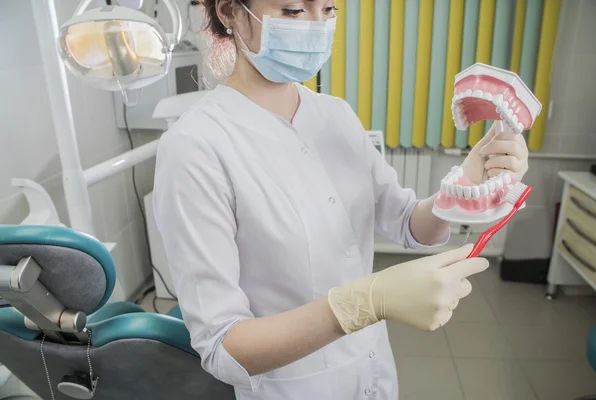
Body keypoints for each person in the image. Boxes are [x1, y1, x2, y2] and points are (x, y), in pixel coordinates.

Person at [152, 1, 530, 398]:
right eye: (295, 10)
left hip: (373, 374)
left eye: (328, 8)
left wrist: (468, 179)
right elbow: (223, 346)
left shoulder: (336, 114)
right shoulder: (195, 148)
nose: (316, 25)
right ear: (230, 12)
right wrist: (361, 303)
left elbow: (406, 222)